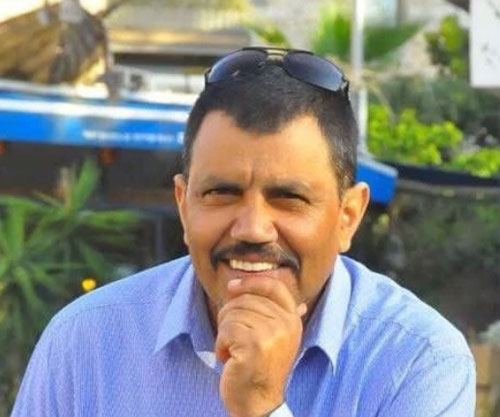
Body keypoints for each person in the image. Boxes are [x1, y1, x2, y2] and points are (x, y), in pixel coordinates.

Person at [11, 47, 475, 417]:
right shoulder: (85, 343)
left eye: (289, 198)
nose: (253, 228)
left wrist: (263, 406)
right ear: (183, 204)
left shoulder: (416, 359)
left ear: (348, 217)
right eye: (221, 193)